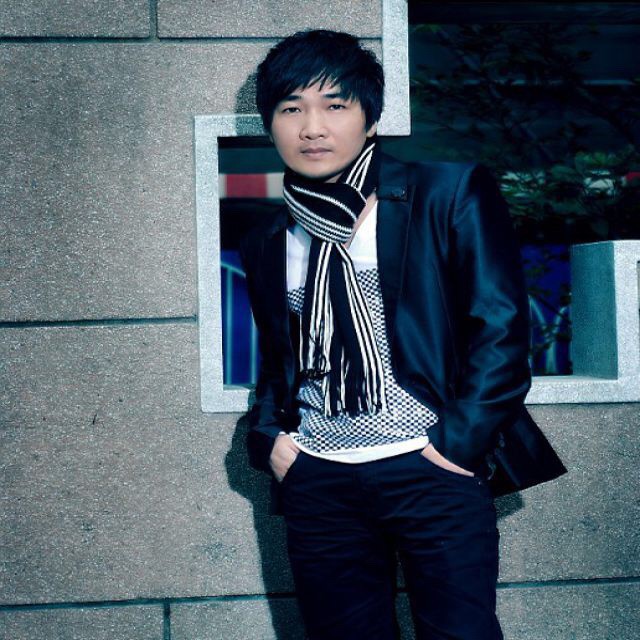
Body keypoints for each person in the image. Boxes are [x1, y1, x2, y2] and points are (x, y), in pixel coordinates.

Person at [238, 29, 566, 640]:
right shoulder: (268, 238)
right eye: (291, 109)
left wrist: (457, 446)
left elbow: (500, 330)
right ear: (271, 124)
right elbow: (277, 360)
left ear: (370, 117)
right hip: (319, 476)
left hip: (431, 466)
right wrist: (272, 440)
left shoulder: (446, 194)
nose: (312, 128)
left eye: (335, 105)